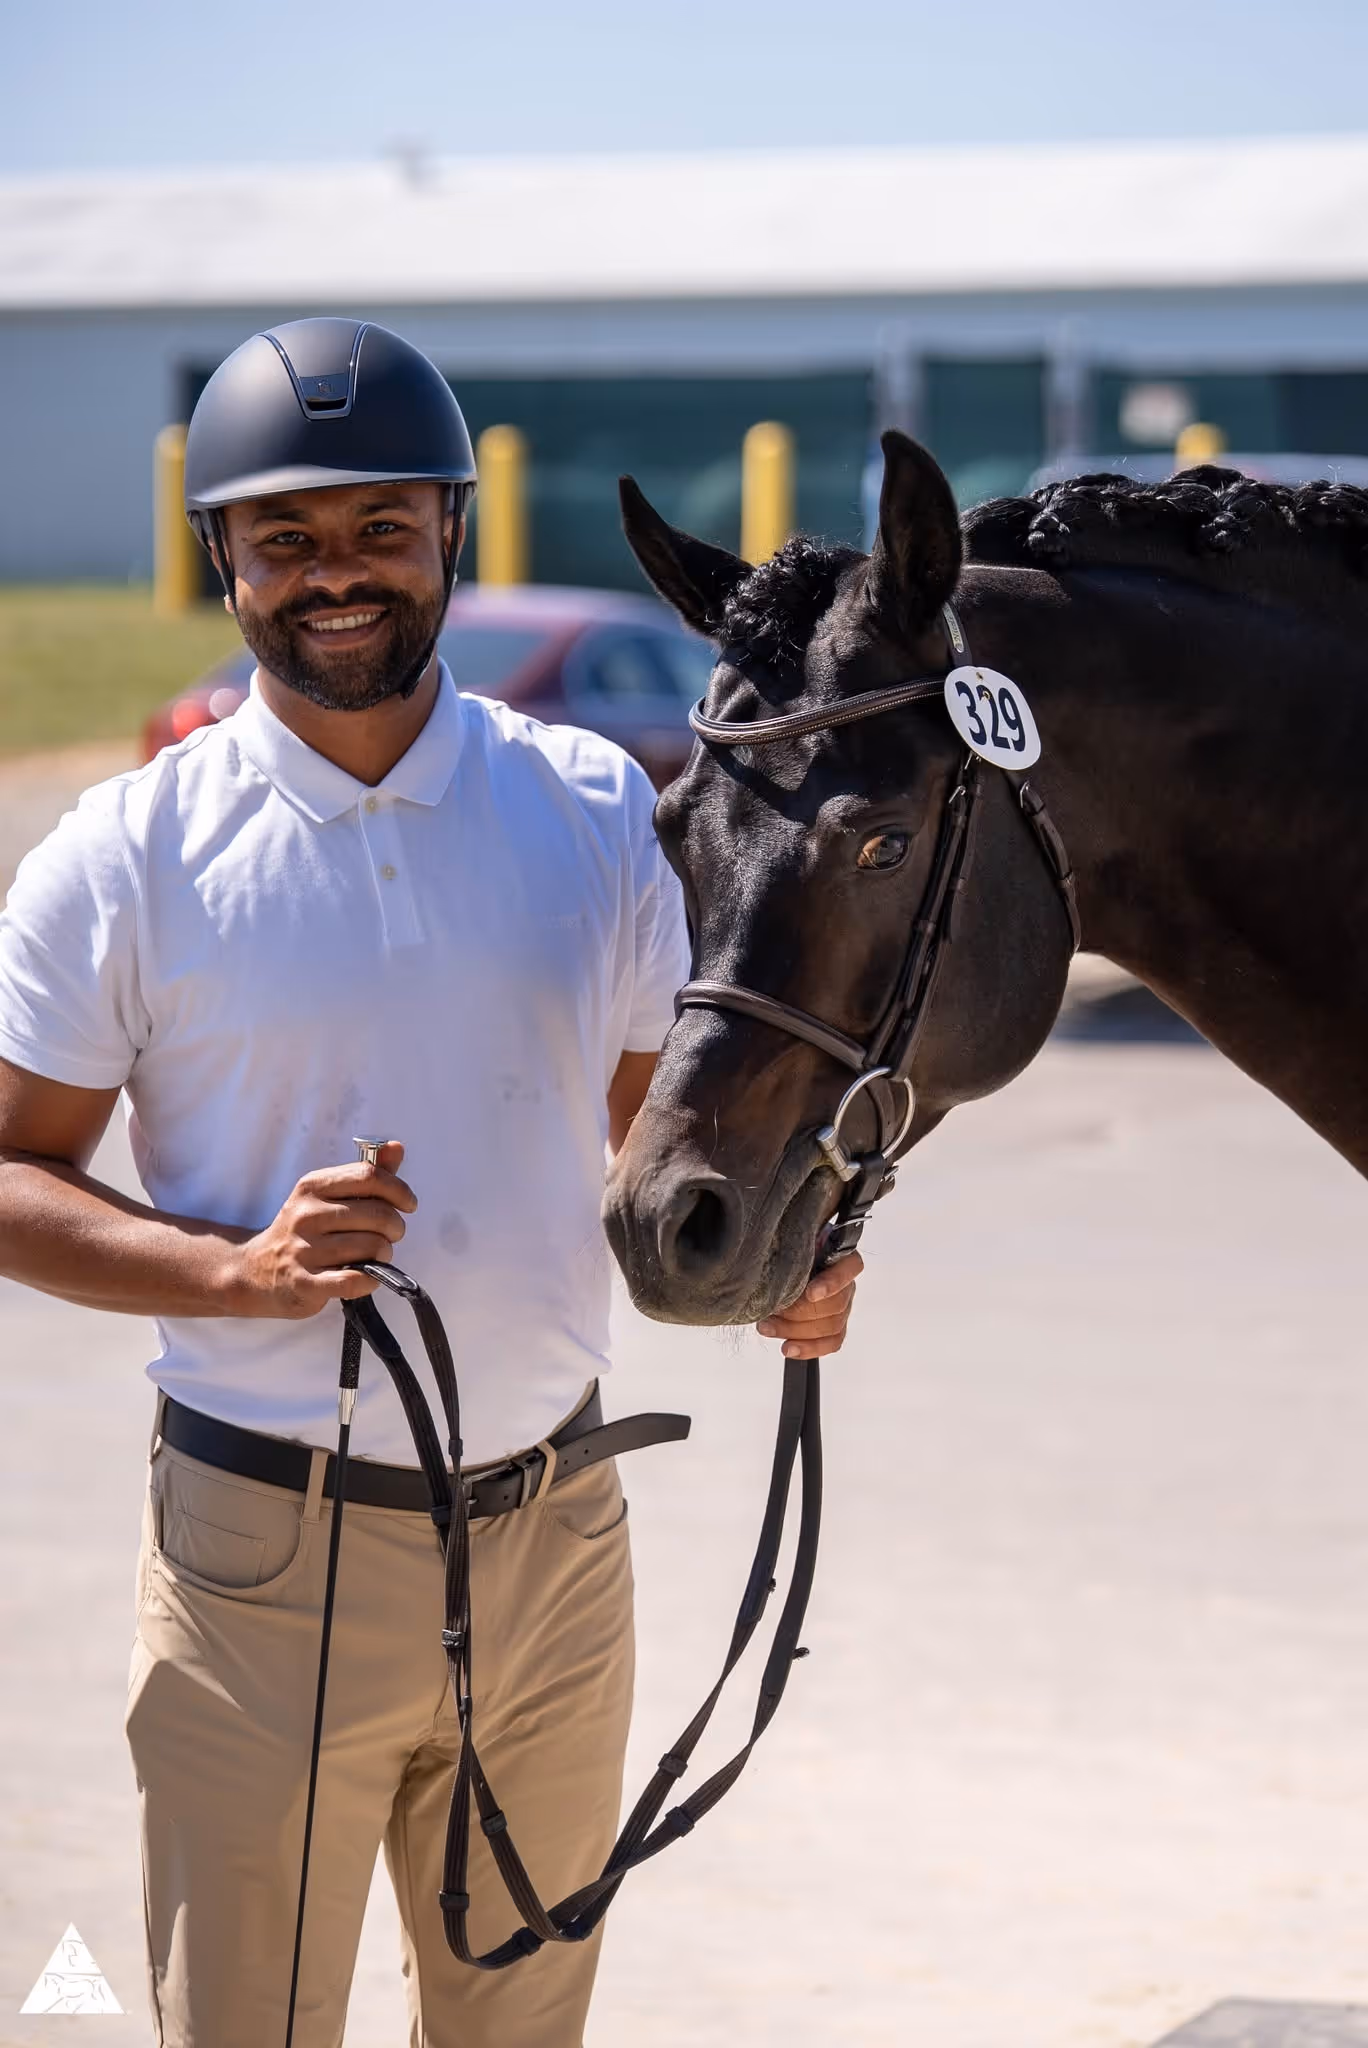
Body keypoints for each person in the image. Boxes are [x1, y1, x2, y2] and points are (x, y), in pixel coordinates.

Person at [0, 318, 863, 2048]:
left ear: (451, 530)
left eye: (381, 528)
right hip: (262, 1556)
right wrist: (240, 1270)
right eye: (287, 538)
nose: (337, 574)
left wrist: (779, 1260)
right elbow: (14, 1171)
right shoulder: (124, 856)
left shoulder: (599, 811)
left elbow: (661, 1142)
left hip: (558, 1543)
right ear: (223, 558)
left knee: (520, 2030)